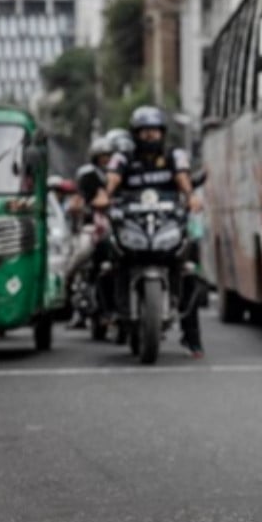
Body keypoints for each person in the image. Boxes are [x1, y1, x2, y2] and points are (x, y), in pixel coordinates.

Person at [97, 106, 204, 357]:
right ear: (135, 134)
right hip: (131, 225)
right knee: (105, 256)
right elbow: (112, 179)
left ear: (162, 133)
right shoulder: (123, 157)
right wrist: (105, 195)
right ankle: (109, 312)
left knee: (189, 270)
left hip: (166, 225)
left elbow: (182, 177)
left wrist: (191, 197)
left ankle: (192, 337)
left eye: (154, 131)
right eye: (144, 132)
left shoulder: (174, 155)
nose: (149, 136)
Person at [63, 136, 114, 329]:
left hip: (118, 226)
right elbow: (76, 202)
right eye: (103, 157)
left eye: (110, 156)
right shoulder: (88, 176)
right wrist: (80, 207)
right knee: (81, 254)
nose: (107, 160)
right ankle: (70, 294)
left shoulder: (123, 174)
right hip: (92, 226)